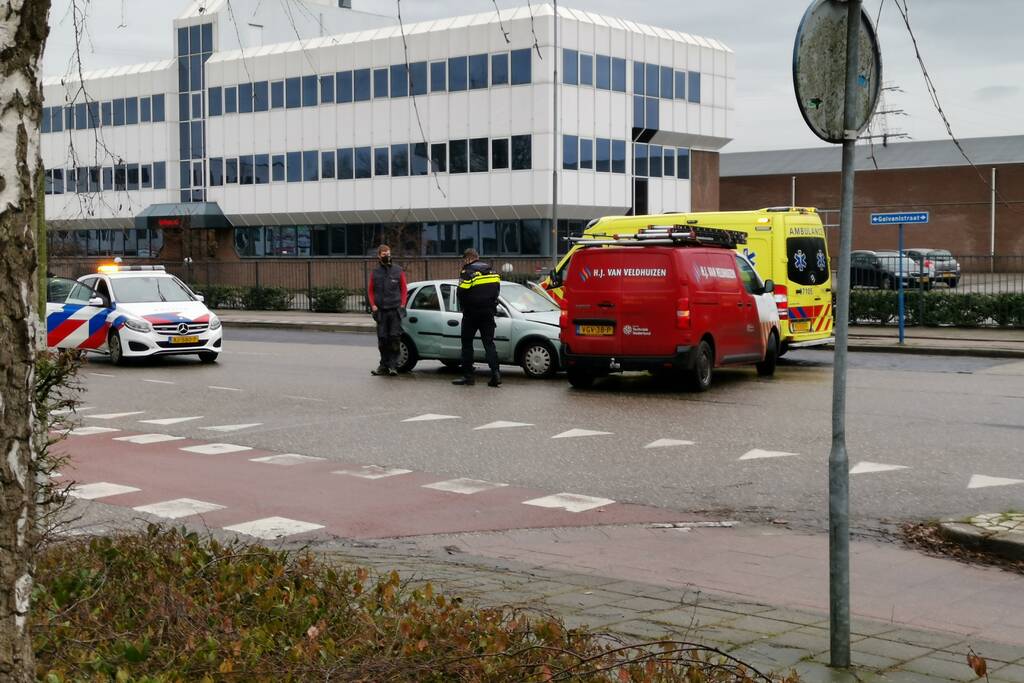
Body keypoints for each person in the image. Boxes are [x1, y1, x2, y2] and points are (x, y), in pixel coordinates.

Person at [453, 248, 502, 387]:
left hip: (471, 314)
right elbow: (497, 291)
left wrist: (464, 306)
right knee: (489, 344)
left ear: (467, 259)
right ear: (477, 257)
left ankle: (468, 377)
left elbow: (461, 292)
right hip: (489, 313)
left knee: (467, 344)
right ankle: (496, 374)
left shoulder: (467, 272)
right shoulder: (492, 271)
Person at [367, 244, 407, 376]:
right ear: (379, 256)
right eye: (384, 254)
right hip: (381, 311)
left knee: (394, 339)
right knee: (382, 339)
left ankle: (393, 366)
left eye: (388, 253)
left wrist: (402, 304)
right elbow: (371, 290)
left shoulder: (398, 270)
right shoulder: (375, 272)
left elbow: (404, 289)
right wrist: (373, 305)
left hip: (395, 310)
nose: (387, 256)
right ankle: (383, 366)